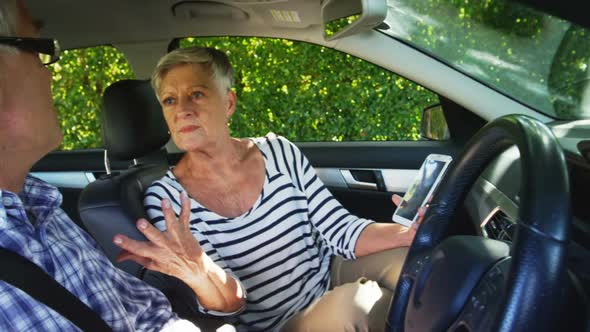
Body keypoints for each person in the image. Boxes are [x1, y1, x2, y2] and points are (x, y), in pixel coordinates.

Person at [113, 46, 423, 332]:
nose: (182, 109)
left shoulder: (278, 152)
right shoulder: (166, 199)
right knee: (355, 304)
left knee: (414, 260)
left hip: (327, 275)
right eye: (170, 100)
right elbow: (232, 305)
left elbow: (340, 230)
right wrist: (200, 271)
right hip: (277, 325)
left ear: (229, 102)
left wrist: (406, 233)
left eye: (196, 94)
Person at [0, 1, 201, 330]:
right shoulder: (164, 196)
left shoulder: (41, 207)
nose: (49, 73)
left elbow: (151, 316)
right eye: (38, 51)